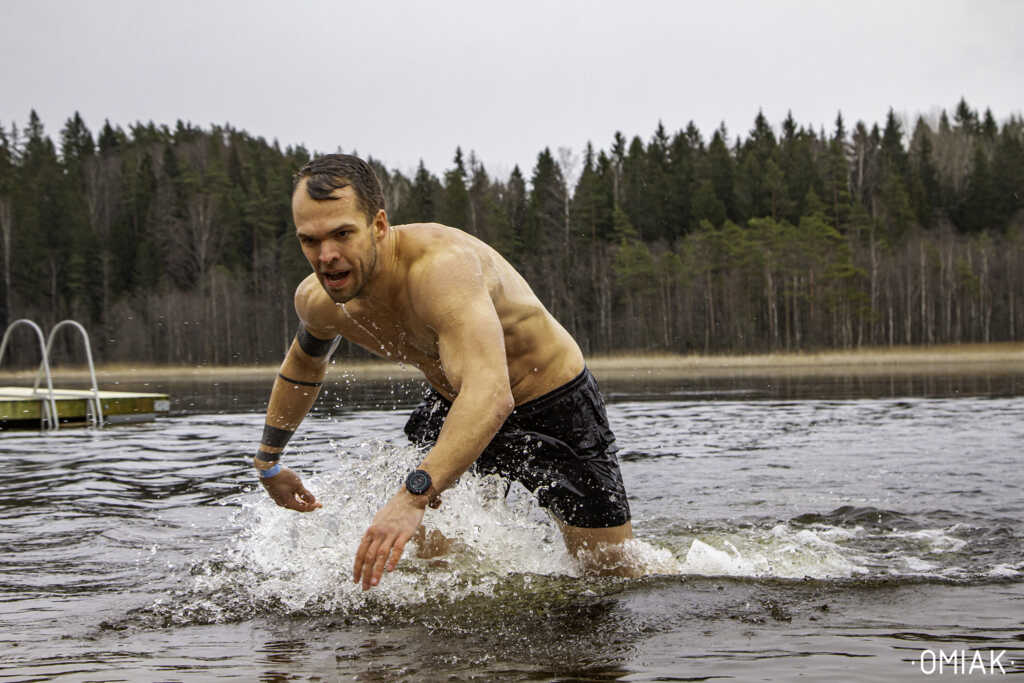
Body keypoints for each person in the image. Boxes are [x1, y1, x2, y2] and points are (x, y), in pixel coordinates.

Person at [253, 153, 636, 590]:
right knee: (433, 565)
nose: (328, 257)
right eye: (310, 241)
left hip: (552, 403)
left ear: (378, 225)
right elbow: (303, 363)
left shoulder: (439, 269)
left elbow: (493, 395)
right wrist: (268, 463)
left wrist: (412, 494)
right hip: (458, 405)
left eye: (343, 234)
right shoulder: (319, 302)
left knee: (610, 575)